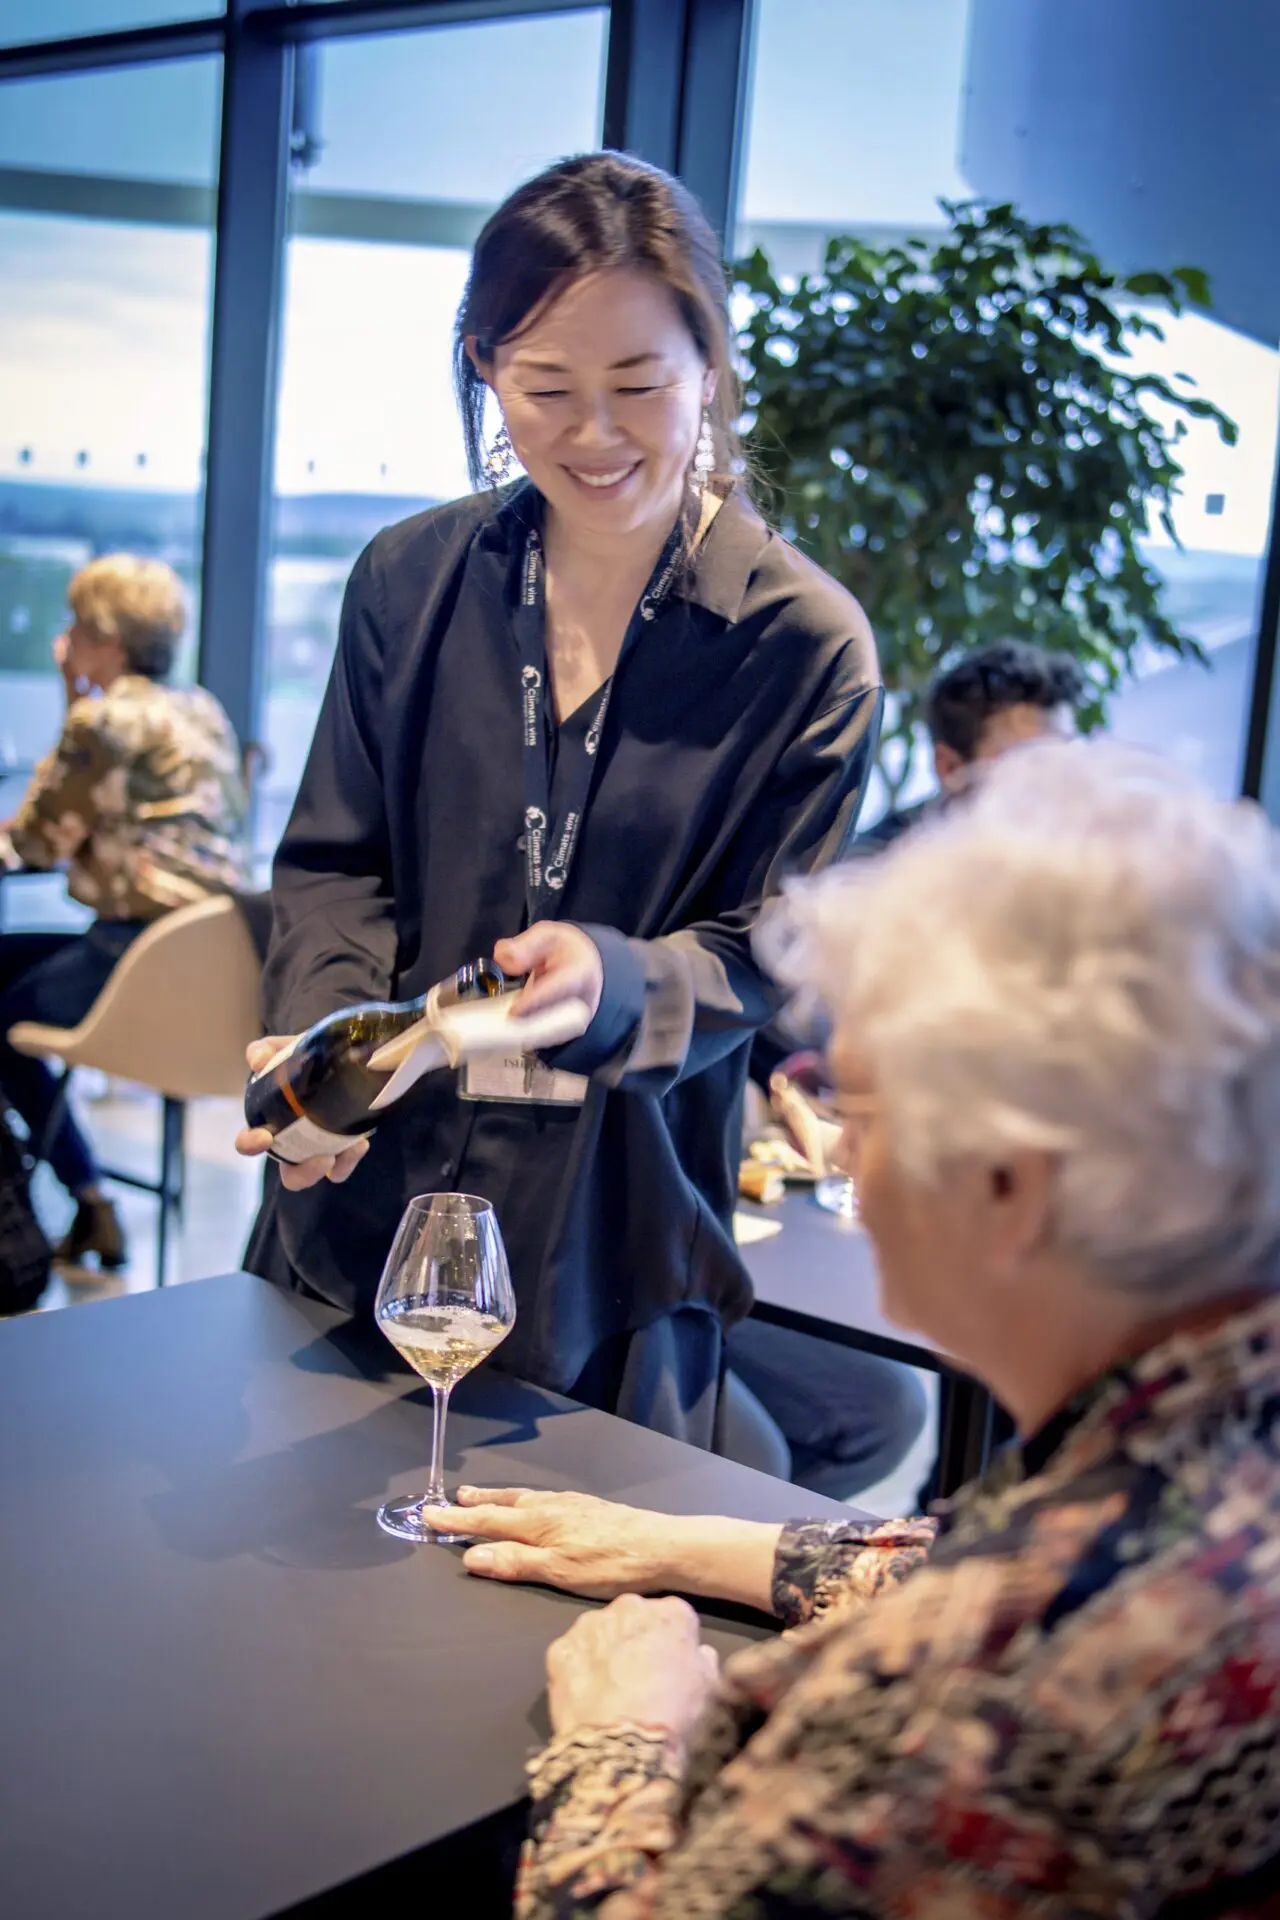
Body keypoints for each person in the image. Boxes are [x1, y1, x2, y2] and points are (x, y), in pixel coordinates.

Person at [435, 738, 1280, 1917]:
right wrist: (684, 1546)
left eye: (856, 1110)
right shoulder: (1215, 1450)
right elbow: (989, 1556)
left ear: (1008, 1187)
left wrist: (622, 1738)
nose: (840, 1162)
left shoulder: (967, 1708)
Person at [236, 152, 881, 1449]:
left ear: (710, 365)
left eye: (638, 386)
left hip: (609, 1242)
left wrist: (618, 980)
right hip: (363, 1210)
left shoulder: (805, 649)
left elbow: (766, 954)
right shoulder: (410, 580)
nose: (593, 436)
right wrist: (328, 1053)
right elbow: (338, 864)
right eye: (545, 389)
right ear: (484, 365)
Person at [732, 637, 1089, 1495]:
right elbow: (781, 1031)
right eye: (1025, 769)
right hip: (852, 1199)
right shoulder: (870, 887)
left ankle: (967, 1512)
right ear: (948, 767)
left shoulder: (1074, 890)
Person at [0, 555, 248, 1270]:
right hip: (216, 965)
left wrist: (69, 697)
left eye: (75, 626)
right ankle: (88, 1204)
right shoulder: (201, 709)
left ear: (107, 639)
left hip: (135, 959)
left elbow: (36, 840)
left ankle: (79, 1199)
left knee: (3, 1018)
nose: (67, 640)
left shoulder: (104, 718)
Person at [857, 634, 1085, 850]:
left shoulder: (1077, 845)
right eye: (1030, 764)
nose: (1055, 785)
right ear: (950, 768)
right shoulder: (879, 867)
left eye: (1066, 761)